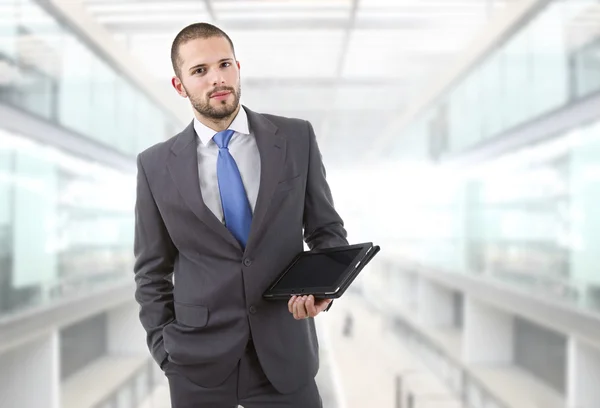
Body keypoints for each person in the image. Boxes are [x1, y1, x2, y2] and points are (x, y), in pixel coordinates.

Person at [133, 22, 348, 408]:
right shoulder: (155, 165)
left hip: (287, 356)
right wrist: (166, 353)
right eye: (199, 71)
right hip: (197, 366)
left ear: (237, 66)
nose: (217, 79)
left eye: (224, 64)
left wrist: (322, 290)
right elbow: (151, 271)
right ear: (179, 85)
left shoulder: (296, 138)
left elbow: (327, 231)